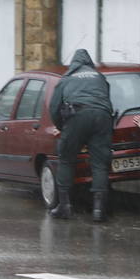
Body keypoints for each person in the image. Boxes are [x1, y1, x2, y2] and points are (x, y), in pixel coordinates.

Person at [48, 49, 114, 222]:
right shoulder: (99, 77)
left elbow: (54, 107)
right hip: (102, 117)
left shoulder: (67, 79)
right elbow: (107, 99)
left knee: (66, 158)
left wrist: (62, 127)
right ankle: (99, 210)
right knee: (99, 163)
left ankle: (65, 206)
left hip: (77, 116)